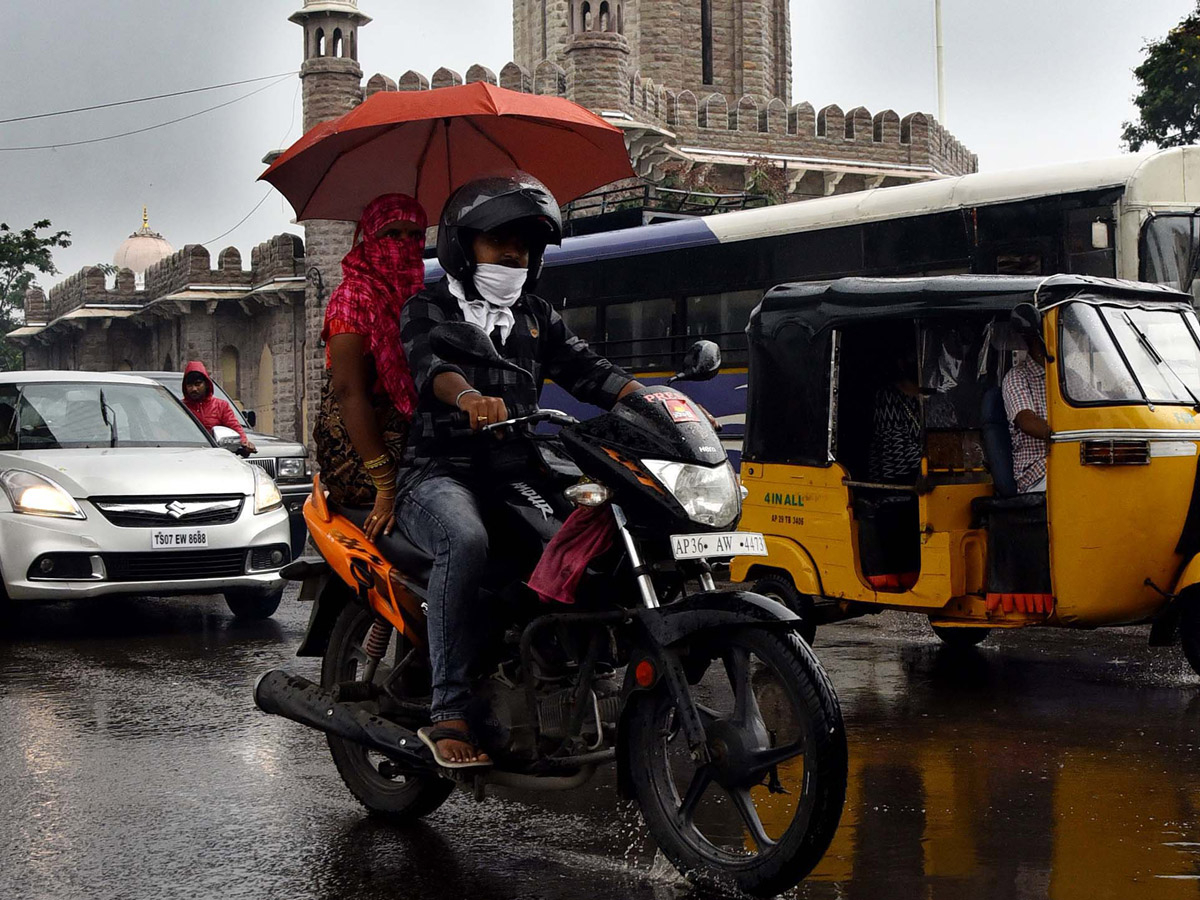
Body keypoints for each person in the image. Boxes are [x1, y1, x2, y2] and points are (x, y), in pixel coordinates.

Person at [397, 173, 643, 768]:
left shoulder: (536, 315)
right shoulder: (426, 306)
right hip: (439, 471)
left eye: (525, 244)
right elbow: (432, 367)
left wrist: (654, 403)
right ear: (463, 244)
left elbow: (591, 372)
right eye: (498, 240)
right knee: (466, 537)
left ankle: (570, 661)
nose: (514, 253)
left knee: (600, 524)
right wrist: (467, 399)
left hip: (516, 468)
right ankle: (448, 708)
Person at [313, 194, 427, 540]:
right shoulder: (352, 298)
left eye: (414, 235)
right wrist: (385, 483)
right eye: (392, 234)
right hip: (361, 456)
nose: (404, 245)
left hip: (414, 441)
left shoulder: (415, 296)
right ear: (370, 238)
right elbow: (349, 393)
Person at [1002, 338, 1050, 493]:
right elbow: (1027, 422)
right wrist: (1068, 432)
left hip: (1072, 461)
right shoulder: (1017, 377)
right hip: (1038, 471)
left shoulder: (1069, 375)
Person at [868, 346, 922, 484]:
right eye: (913, 357)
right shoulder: (888, 397)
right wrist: (933, 462)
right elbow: (896, 449)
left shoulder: (937, 399)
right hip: (898, 491)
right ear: (901, 363)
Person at [182, 362, 256, 453]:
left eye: (198, 384)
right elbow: (165, 429)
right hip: (186, 455)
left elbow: (234, 427)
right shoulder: (178, 407)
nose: (194, 389)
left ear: (206, 384)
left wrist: (244, 443)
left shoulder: (221, 406)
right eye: (189, 385)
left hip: (216, 456)